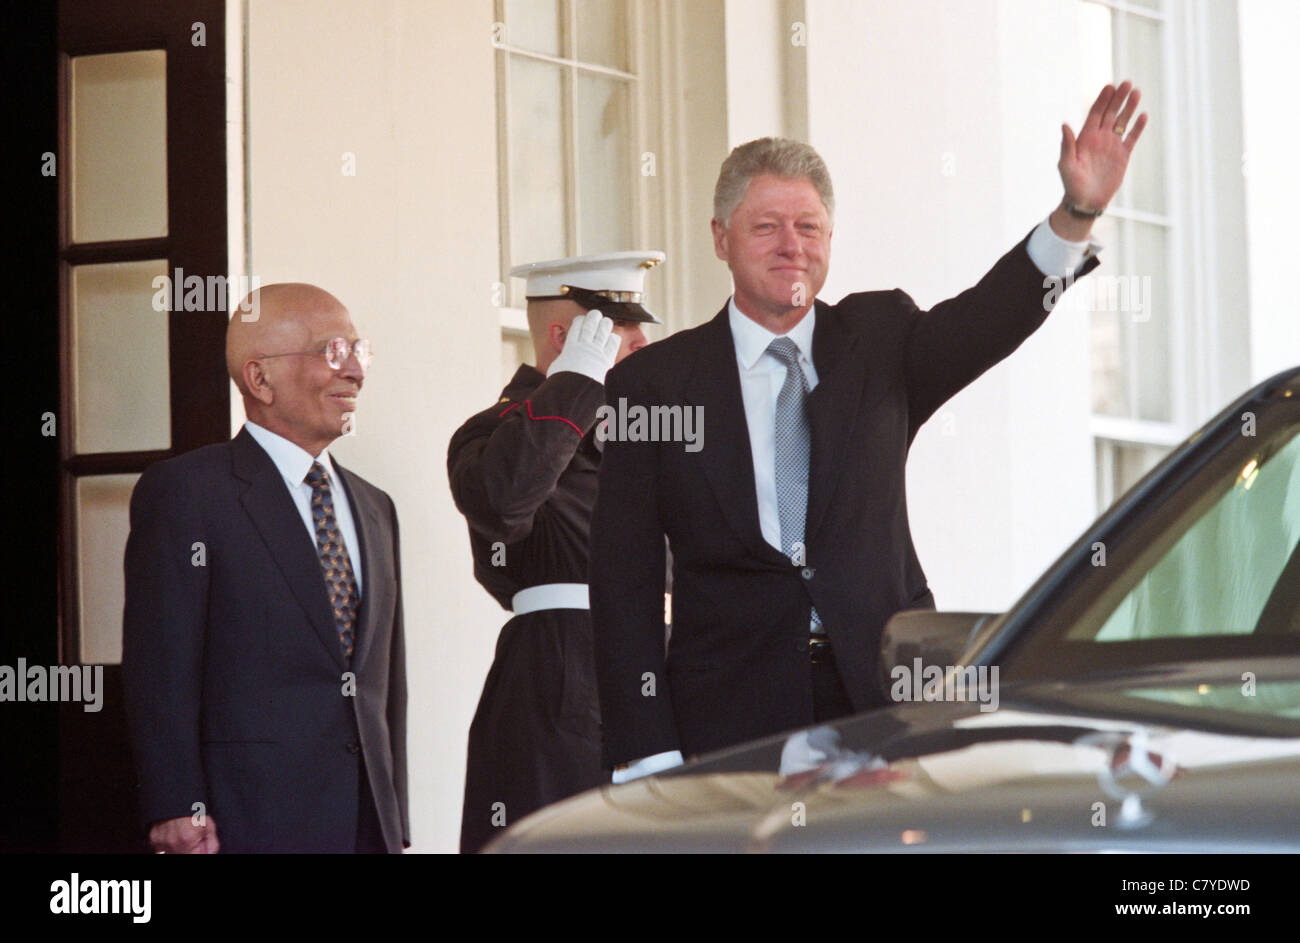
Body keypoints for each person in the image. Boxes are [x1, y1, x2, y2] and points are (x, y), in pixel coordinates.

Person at [591, 82, 1148, 780]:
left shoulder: (880, 340)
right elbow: (624, 584)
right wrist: (647, 752)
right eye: (766, 226)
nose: (791, 245)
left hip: (886, 710)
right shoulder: (653, 385)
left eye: (810, 226)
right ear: (720, 237)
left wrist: (1076, 213)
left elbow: (989, 317)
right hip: (728, 726)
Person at [122, 283, 409, 853]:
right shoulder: (188, 493)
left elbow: (387, 685)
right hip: (246, 822)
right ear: (259, 379)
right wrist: (177, 805)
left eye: (359, 350)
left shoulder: (375, 507)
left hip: (365, 825)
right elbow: (161, 662)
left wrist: (395, 821)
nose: (355, 370)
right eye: (333, 351)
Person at [449, 251, 664, 853]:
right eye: (622, 329)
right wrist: (572, 385)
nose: (643, 341)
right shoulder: (491, 431)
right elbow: (503, 504)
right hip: (562, 675)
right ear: (566, 337)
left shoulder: (639, 435)